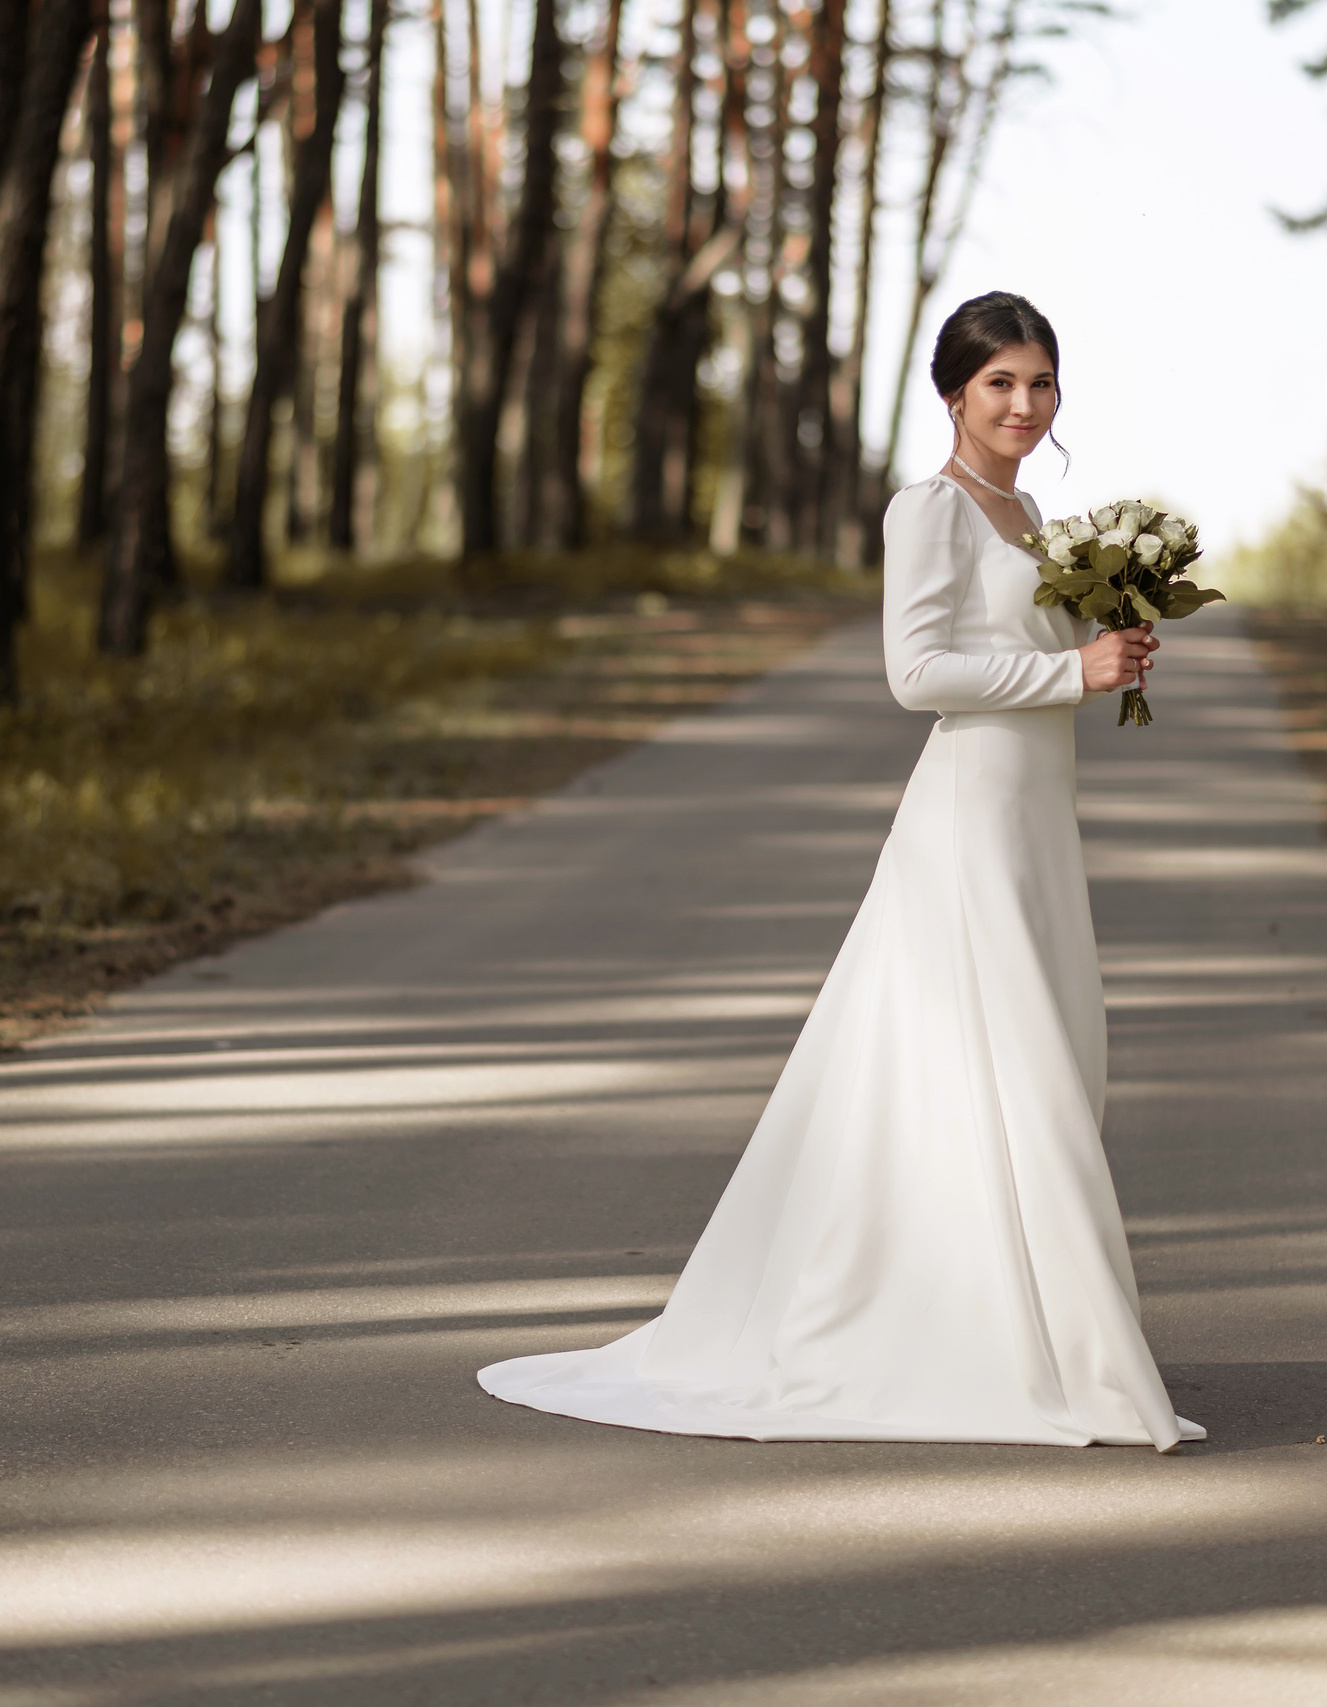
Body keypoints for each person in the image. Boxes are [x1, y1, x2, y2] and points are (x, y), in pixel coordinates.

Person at [476, 292, 1203, 1451]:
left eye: (1041, 382)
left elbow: (1010, 647)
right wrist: (1070, 675)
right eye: (1000, 384)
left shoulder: (1028, 513)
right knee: (1007, 1068)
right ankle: (1005, 1348)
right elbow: (914, 674)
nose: (1025, 404)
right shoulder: (930, 509)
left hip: (1035, 826)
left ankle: (1020, 1324)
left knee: (1049, 1059)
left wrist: (1106, 649)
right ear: (953, 395)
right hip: (967, 820)